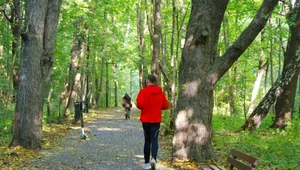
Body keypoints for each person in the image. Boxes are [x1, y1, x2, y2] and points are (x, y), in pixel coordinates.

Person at [136, 75, 169, 170]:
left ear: (147, 82)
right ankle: (154, 159)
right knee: (154, 139)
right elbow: (166, 105)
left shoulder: (143, 92)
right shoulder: (160, 93)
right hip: (156, 120)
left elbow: (140, 105)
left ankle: (146, 163)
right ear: (155, 82)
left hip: (146, 120)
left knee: (147, 140)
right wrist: (157, 107)